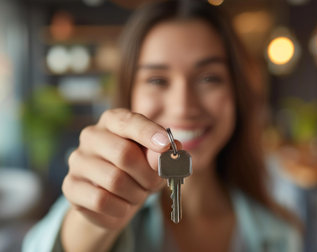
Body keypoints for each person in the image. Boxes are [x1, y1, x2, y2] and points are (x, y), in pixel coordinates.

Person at [23, 1, 302, 251]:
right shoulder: (112, 200)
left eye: (209, 78)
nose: (183, 106)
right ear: (128, 95)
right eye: (157, 80)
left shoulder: (280, 233)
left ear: (236, 93)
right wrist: (92, 224)